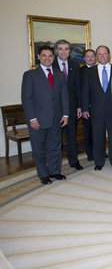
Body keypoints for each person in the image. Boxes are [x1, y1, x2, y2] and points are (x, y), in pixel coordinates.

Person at [22, 45, 69, 185]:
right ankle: (43, 174)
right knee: (39, 148)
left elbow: (64, 96)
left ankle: (55, 171)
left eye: (50, 56)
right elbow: (27, 98)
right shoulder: (30, 75)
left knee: (55, 146)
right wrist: (32, 118)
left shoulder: (59, 74)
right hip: (38, 120)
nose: (47, 58)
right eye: (44, 55)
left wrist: (66, 114)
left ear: (53, 57)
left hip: (56, 118)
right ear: (38, 57)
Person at [81, 46, 112, 170]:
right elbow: (85, 91)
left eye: (104, 53)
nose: (102, 56)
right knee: (98, 137)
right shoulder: (89, 71)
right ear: (96, 56)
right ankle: (99, 162)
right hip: (96, 110)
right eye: (99, 54)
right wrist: (85, 108)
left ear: (109, 55)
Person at [52, 39, 82, 170]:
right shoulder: (50, 65)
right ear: (56, 50)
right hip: (54, 108)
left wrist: (79, 106)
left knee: (71, 136)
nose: (63, 52)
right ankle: (55, 164)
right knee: (55, 138)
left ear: (70, 51)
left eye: (66, 49)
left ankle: (73, 161)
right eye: (61, 49)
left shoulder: (75, 65)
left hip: (71, 107)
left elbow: (78, 87)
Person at [81, 49, 96, 161]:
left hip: (98, 107)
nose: (90, 58)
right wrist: (83, 107)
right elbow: (80, 91)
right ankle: (90, 153)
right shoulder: (80, 71)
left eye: (92, 56)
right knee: (88, 132)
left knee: (97, 131)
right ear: (84, 58)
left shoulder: (98, 69)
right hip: (86, 107)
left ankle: (98, 151)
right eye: (88, 56)